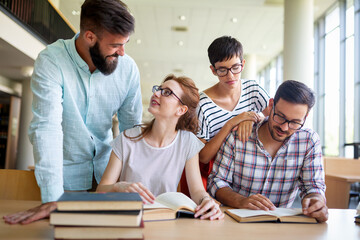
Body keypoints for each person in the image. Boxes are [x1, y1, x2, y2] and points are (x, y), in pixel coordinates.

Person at [4, 0, 142, 224]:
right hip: (64, 183)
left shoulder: (128, 69)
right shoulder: (52, 61)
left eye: (125, 43)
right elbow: (46, 128)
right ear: (89, 37)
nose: (123, 53)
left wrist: (132, 186)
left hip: (109, 181)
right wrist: (53, 198)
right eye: (116, 45)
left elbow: (132, 133)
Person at [97, 74, 224, 220]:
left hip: (166, 220)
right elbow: (101, 189)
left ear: (181, 110)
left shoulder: (188, 142)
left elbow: (197, 191)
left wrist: (206, 200)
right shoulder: (126, 139)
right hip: (129, 219)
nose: (156, 93)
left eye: (167, 92)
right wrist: (118, 187)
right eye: (159, 89)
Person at [208, 80, 328, 222]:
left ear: (305, 118)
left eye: (295, 122)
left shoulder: (308, 141)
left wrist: (316, 200)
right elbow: (217, 181)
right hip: (236, 221)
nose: (284, 127)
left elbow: (313, 186)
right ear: (271, 105)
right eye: (280, 117)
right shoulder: (238, 136)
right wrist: (241, 201)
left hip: (282, 226)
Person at [180, 36, 270, 196]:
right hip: (221, 176)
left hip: (253, 170)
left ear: (242, 64)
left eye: (235, 67)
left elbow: (274, 121)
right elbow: (204, 157)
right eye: (222, 70)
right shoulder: (203, 105)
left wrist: (252, 117)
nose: (230, 76)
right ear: (213, 70)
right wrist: (232, 123)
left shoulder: (253, 90)